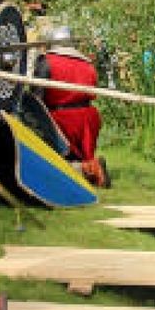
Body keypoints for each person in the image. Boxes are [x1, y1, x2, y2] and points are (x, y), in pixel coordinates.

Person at [35, 24, 108, 188]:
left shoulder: (46, 61)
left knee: (55, 161)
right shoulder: (88, 64)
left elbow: (36, 100)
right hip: (89, 118)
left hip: (63, 120)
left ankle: (89, 169)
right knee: (80, 156)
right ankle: (90, 165)